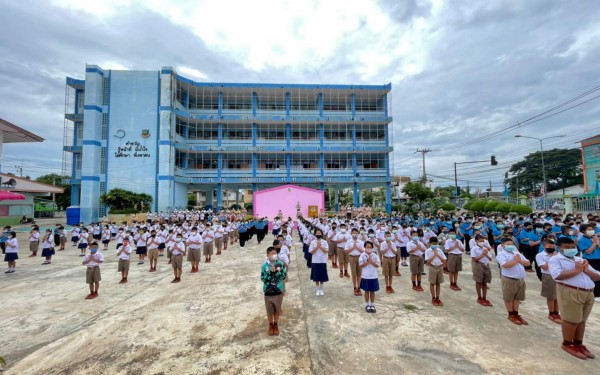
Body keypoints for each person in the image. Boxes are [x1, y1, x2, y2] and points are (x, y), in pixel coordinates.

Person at [549, 237, 600, 359]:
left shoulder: (580, 259)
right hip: (570, 291)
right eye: (567, 247)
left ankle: (578, 343)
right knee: (571, 320)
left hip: (587, 292)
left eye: (572, 247)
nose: (571, 249)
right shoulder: (555, 260)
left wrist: (586, 270)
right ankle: (567, 343)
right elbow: (558, 276)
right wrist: (577, 270)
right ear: (559, 248)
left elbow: (597, 276)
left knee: (581, 320)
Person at [496, 237, 530, 325]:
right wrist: (516, 261)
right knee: (509, 298)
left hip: (520, 279)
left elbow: (528, 263)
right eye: (508, 244)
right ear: (503, 246)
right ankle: (511, 314)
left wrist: (519, 260)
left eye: (512, 244)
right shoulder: (501, 255)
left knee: (517, 298)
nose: (510, 246)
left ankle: (516, 313)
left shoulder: (517, 253)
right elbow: (504, 265)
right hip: (509, 279)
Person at [261, 246, 287, 336]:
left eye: (275, 253)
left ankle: (275, 325)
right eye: (272, 253)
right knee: (269, 310)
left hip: (278, 290)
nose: (274, 255)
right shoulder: (264, 265)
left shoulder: (280, 263)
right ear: (267, 255)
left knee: (277, 309)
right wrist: (270, 273)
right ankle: (270, 325)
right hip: (268, 291)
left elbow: (283, 276)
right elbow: (263, 278)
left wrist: (277, 272)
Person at [536, 238, 561, 323]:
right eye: (549, 246)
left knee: (558, 296)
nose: (551, 247)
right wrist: (553, 258)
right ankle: (551, 313)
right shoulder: (540, 255)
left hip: (558, 276)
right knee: (551, 296)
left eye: (553, 246)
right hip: (548, 276)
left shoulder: (557, 254)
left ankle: (556, 312)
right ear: (544, 247)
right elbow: (545, 267)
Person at [577, 224, 600, 302]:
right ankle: (595, 294)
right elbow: (588, 252)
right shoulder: (582, 240)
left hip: (598, 258)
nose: (591, 231)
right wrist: (594, 243)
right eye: (589, 229)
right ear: (583, 231)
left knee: (599, 275)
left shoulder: (594, 238)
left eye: (592, 229)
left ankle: (598, 293)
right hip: (590, 259)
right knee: (594, 276)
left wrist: (597, 242)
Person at [471, 234, 494, 307]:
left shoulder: (485, 249)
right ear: (476, 241)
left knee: (485, 282)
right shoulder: (474, 249)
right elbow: (474, 259)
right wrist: (482, 255)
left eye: (483, 241)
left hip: (486, 265)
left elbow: (490, 259)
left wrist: (486, 254)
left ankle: (484, 297)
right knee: (478, 281)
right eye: (480, 241)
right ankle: (479, 297)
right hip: (478, 265)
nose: (482, 242)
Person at [359, 241, 380, 313]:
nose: (369, 248)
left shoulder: (374, 255)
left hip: (373, 276)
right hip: (365, 276)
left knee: (372, 291)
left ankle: (372, 304)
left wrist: (371, 262)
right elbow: (360, 265)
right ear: (364, 247)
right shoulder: (362, 255)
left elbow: (377, 265)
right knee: (367, 291)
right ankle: (367, 304)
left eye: (370, 247)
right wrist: (367, 262)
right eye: (367, 247)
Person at [425, 237, 446, 306]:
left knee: (438, 283)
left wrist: (438, 255)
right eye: (433, 244)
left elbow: (444, 260)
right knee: (432, 283)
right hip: (432, 267)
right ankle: (433, 297)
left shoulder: (439, 250)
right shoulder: (427, 251)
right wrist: (434, 255)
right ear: (430, 244)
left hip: (439, 267)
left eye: (436, 244)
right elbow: (427, 262)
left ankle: (437, 297)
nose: (435, 245)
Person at [344, 227, 365, 296]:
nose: (355, 234)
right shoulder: (349, 241)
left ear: (358, 234)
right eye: (353, 233)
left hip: (359, 258)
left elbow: (363, 251)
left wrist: (357, 247)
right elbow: (346, 251)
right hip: (352, 258)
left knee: (359, 274)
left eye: (356, 233)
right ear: (351, 234)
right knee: (354, 274)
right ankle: (355, 288)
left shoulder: (361, 242)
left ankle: (359, 287)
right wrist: (353, 247)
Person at [309, 229, 329, 296]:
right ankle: (317, 289)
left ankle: (321, 289)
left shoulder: (325, 242)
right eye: (317, 233)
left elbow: (326, 251)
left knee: (322, 276)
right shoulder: (312, 242)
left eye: (319, 233)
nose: (318, 234)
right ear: (315, 234)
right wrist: (317, 247)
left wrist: (320, 246)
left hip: (322, 261)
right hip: (315, 261)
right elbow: (311, 252)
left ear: (322, 234)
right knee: (316, 276)